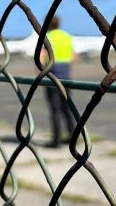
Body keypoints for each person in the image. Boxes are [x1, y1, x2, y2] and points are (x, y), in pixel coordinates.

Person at [40, 16, 77, 149]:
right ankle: (73, 137)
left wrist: (40, 72)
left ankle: (56, 140)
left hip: (52, 76)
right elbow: (73, 55)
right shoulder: (67, 37)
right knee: (67, 108)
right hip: (66, 76)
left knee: (54, 109)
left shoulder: (47, 37)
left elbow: (42, 56)